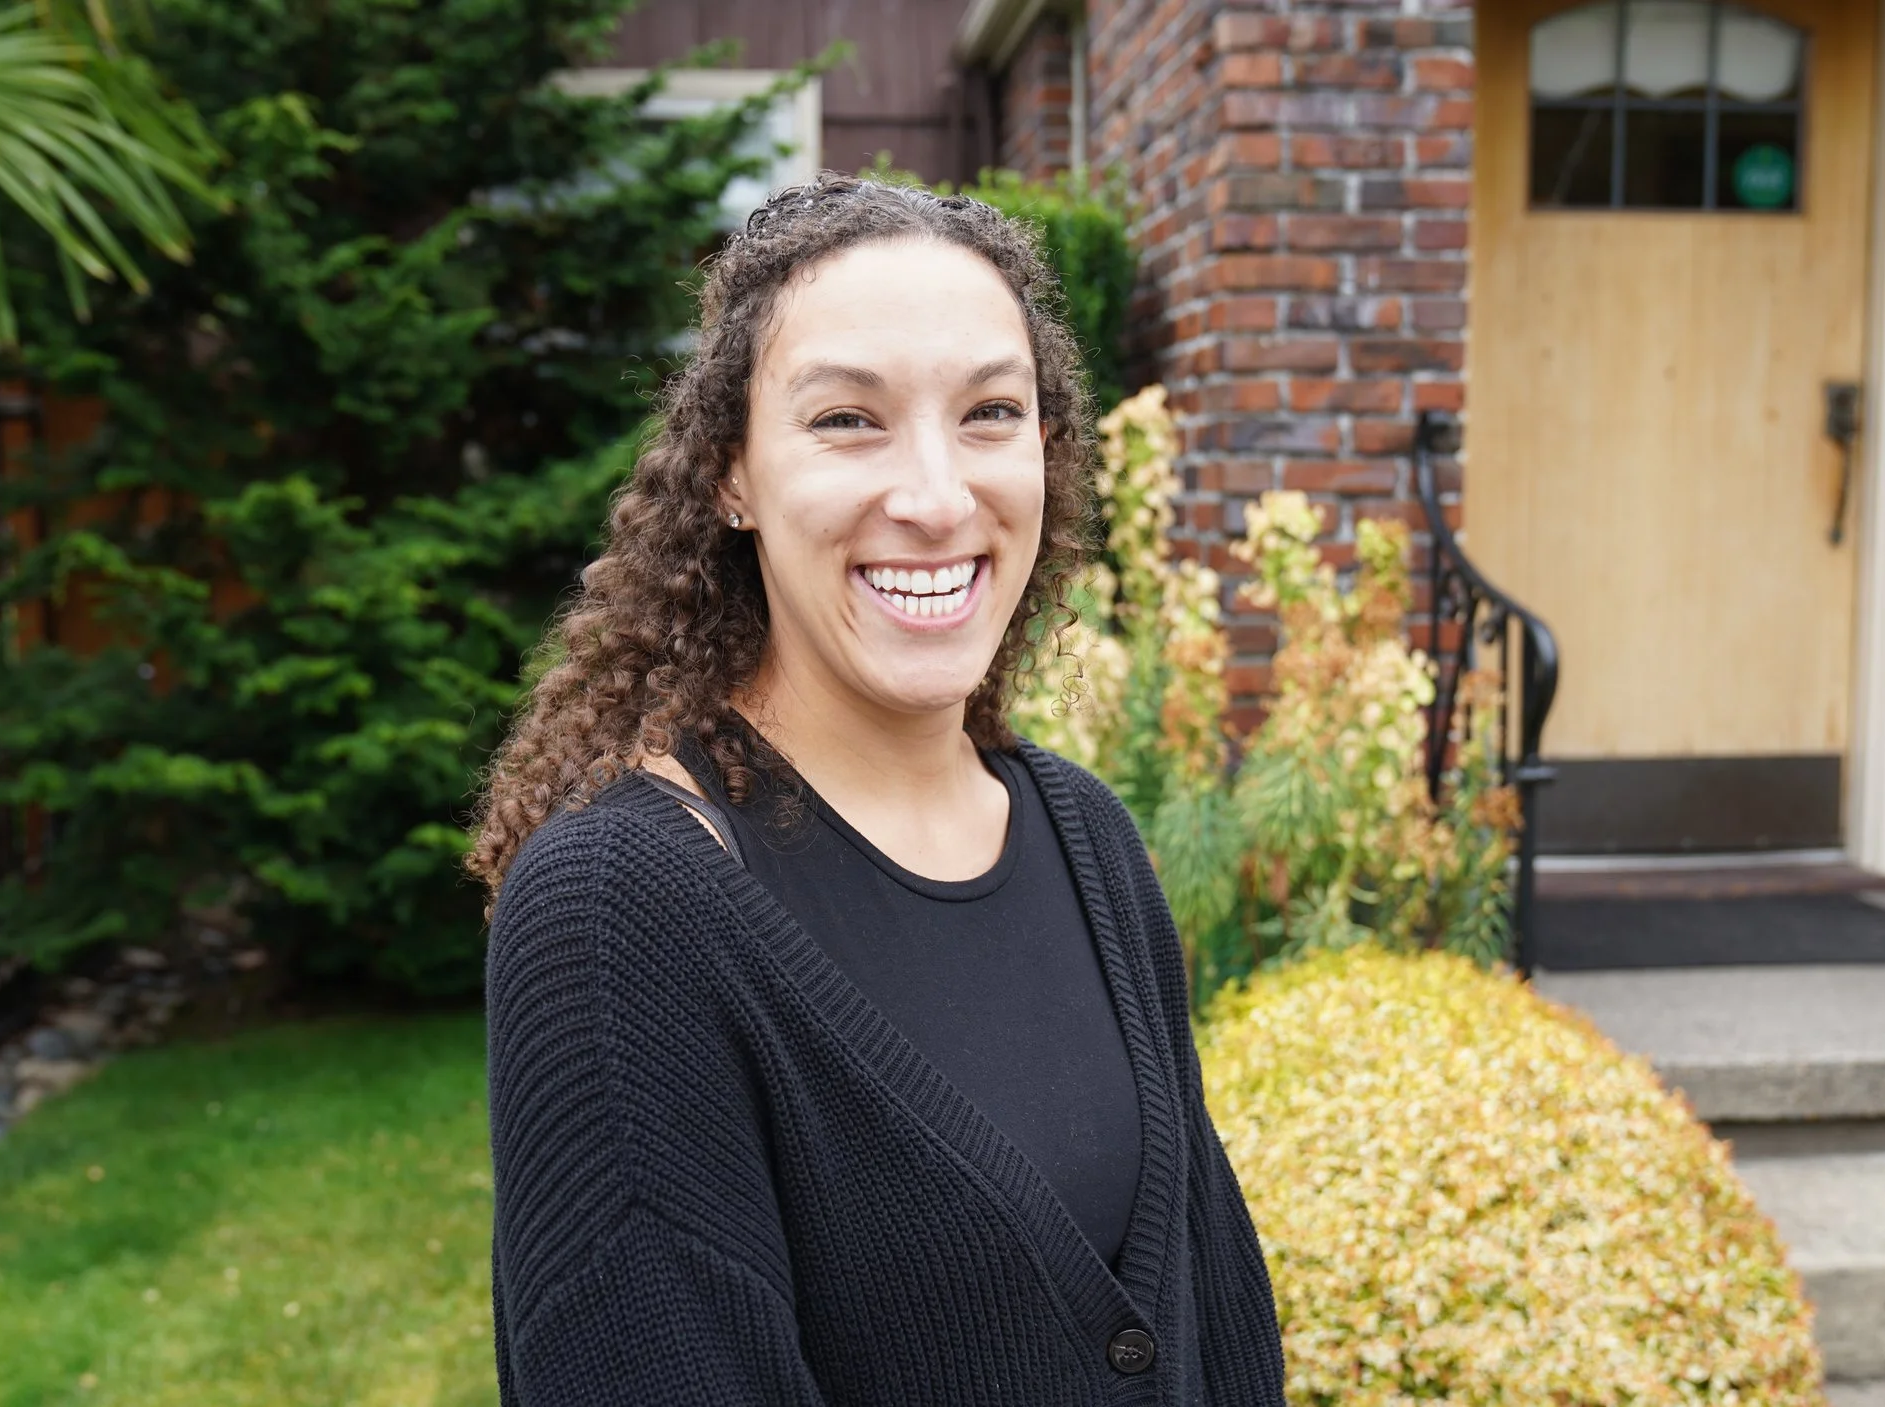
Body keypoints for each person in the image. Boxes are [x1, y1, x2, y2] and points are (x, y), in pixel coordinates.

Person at [468, 172, 1283, 1405]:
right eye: (848, 420)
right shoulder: (615, 914)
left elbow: (1216, 1322)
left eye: (990, 413)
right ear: (731, 474)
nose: (938, 496)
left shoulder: (1088, 843)